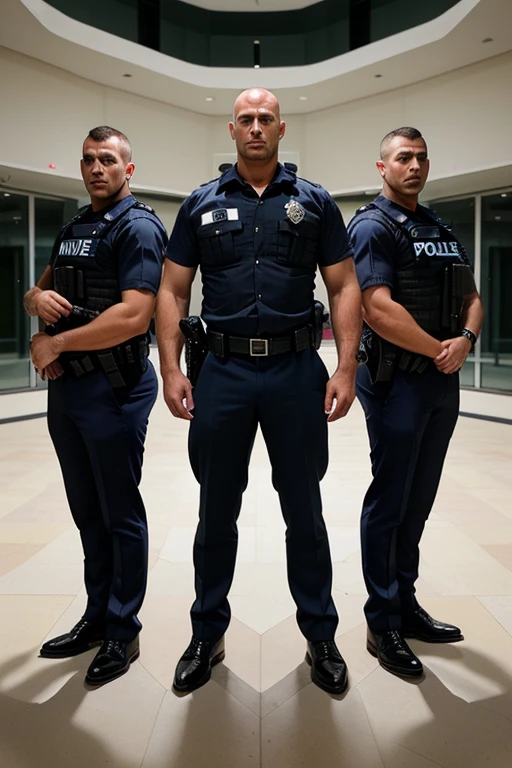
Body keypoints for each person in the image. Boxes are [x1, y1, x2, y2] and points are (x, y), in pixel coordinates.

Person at [156, 88, 361, 695]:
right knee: (216, 508)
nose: (254, 127)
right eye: (245, 119)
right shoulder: (200, 204)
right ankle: (206, 634)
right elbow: (172, 290)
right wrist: (171, 368)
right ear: (231, 129)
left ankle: (320, 635)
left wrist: (345, 367)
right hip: (223, 373)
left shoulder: (315, 202)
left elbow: (344, 284)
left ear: (280, 128)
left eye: (265, 119)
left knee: (305, 509)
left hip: (296, 372)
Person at [24, 126, 167, 686]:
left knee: (118, 511)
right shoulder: (75, 227)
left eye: (108, 160)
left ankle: (122, 630)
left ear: (128, 169)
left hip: (116, 389)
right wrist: (34, 299)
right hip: (70, 390)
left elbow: (134, 316)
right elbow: (43, 288)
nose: (96, 168)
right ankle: (95, 615)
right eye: (88, 160)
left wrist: (53, 342)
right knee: (86, 511)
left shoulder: (139, 227)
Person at [348, 127, 484, 678]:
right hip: (395, 380)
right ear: (382, 167)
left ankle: (406, 604)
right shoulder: (372, 226)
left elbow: (472, 297)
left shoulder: (439, 228)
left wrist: (466, 341)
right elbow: (376, 309)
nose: (415, 165)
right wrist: (438, 351)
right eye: (403, 157)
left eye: (422, 157)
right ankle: (382, 622)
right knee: (391, 497)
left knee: (419, 499)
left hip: (438, 381)